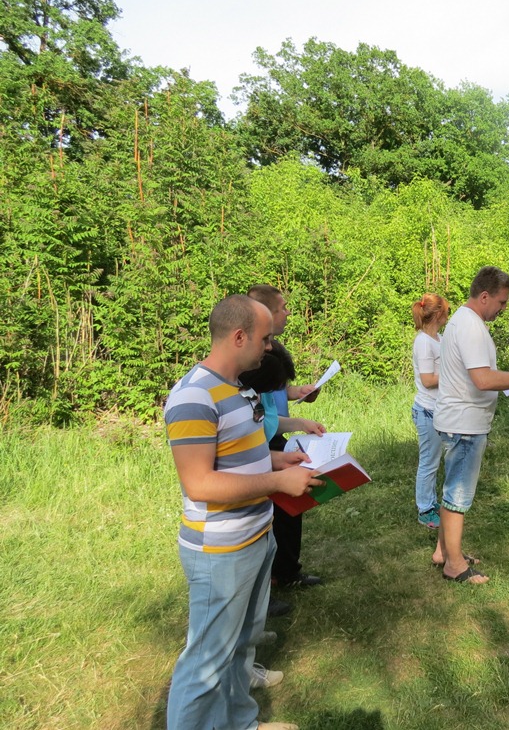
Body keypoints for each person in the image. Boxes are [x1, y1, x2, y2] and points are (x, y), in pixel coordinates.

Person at [164, 294, 322, 730]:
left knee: (239, 648)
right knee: (206, 662)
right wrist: (276, 483)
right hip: (220, 551)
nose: (270, 347)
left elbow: (239, 457)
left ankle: (240, 724)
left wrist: (280, 461)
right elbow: (199, 483)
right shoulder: (194, 396)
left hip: (256, 537)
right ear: (238, 337)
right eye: (265, 339)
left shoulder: (240, 388)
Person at [432, 266, 509, 582]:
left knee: (452, 489)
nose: (503, 308)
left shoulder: (463, 320)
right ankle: (454, 565)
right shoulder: (470, 326)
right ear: (484, 296)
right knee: (457, 496)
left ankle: (444, 552)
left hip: (459, 419)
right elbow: (483, 379)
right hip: (464, 424)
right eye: (502, 302)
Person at [238, 340, 326, 689]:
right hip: (226, 532)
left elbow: (253, 451)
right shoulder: (227, 400)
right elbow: (211, 477)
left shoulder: (247, 397)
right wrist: (277, 475)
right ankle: (239, 675)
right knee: (215, 635)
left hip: (251, 520)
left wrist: (280, 459)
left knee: (259, 565)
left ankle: (249, 644)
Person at [248, 285, 322, 601]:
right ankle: (268, 583)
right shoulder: (251, 366)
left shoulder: (270, 355)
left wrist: (298, 407)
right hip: (262, 442)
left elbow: (271, 404)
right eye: (283, 307)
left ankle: (286, 571)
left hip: (271, 437)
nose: (288, 312)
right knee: (270, 514)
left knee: (291, 507)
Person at [411, 293, 451, 529]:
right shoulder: (424, 342)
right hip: (427, 411)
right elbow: (427, 380)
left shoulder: (438, 338)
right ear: (437, 315)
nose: (448, 315)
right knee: (428, 462)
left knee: (434, 461)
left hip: (438, 410)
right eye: (447, 311)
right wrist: (453, 375)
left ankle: (431, 502)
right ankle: (425, 510)